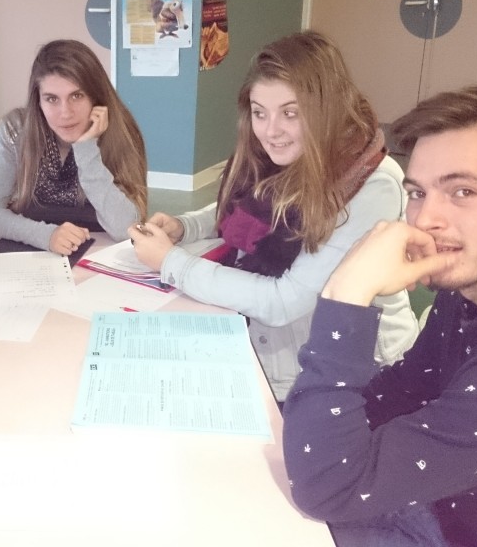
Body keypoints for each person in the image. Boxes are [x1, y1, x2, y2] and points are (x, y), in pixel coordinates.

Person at [282, 77, 477, 547]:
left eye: (463, 192)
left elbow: (329, 488)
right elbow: (405, 389)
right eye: (417, 193)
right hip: (443, 503)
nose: (427, 219)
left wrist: (346, 295)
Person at [127, 31, 417, 401]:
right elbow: (242, 211)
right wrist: (186, 226)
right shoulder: (278, 155)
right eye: (259, 113)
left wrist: (172, 263)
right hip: (281, 355)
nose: (271, 131)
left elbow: (285, 301)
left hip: (357, 375)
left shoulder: (371, 183)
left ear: (325, 108)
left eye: (290, 113)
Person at [0, 39, 147, 255]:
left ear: (96, 97)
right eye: (51, 99)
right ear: (38, 101)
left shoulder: (121, 131)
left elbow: (126, 229)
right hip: (33, 250)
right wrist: (47, 236)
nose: (65, 113)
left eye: (77, 96)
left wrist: (87, 149)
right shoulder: (16, 129)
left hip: (101, 254)